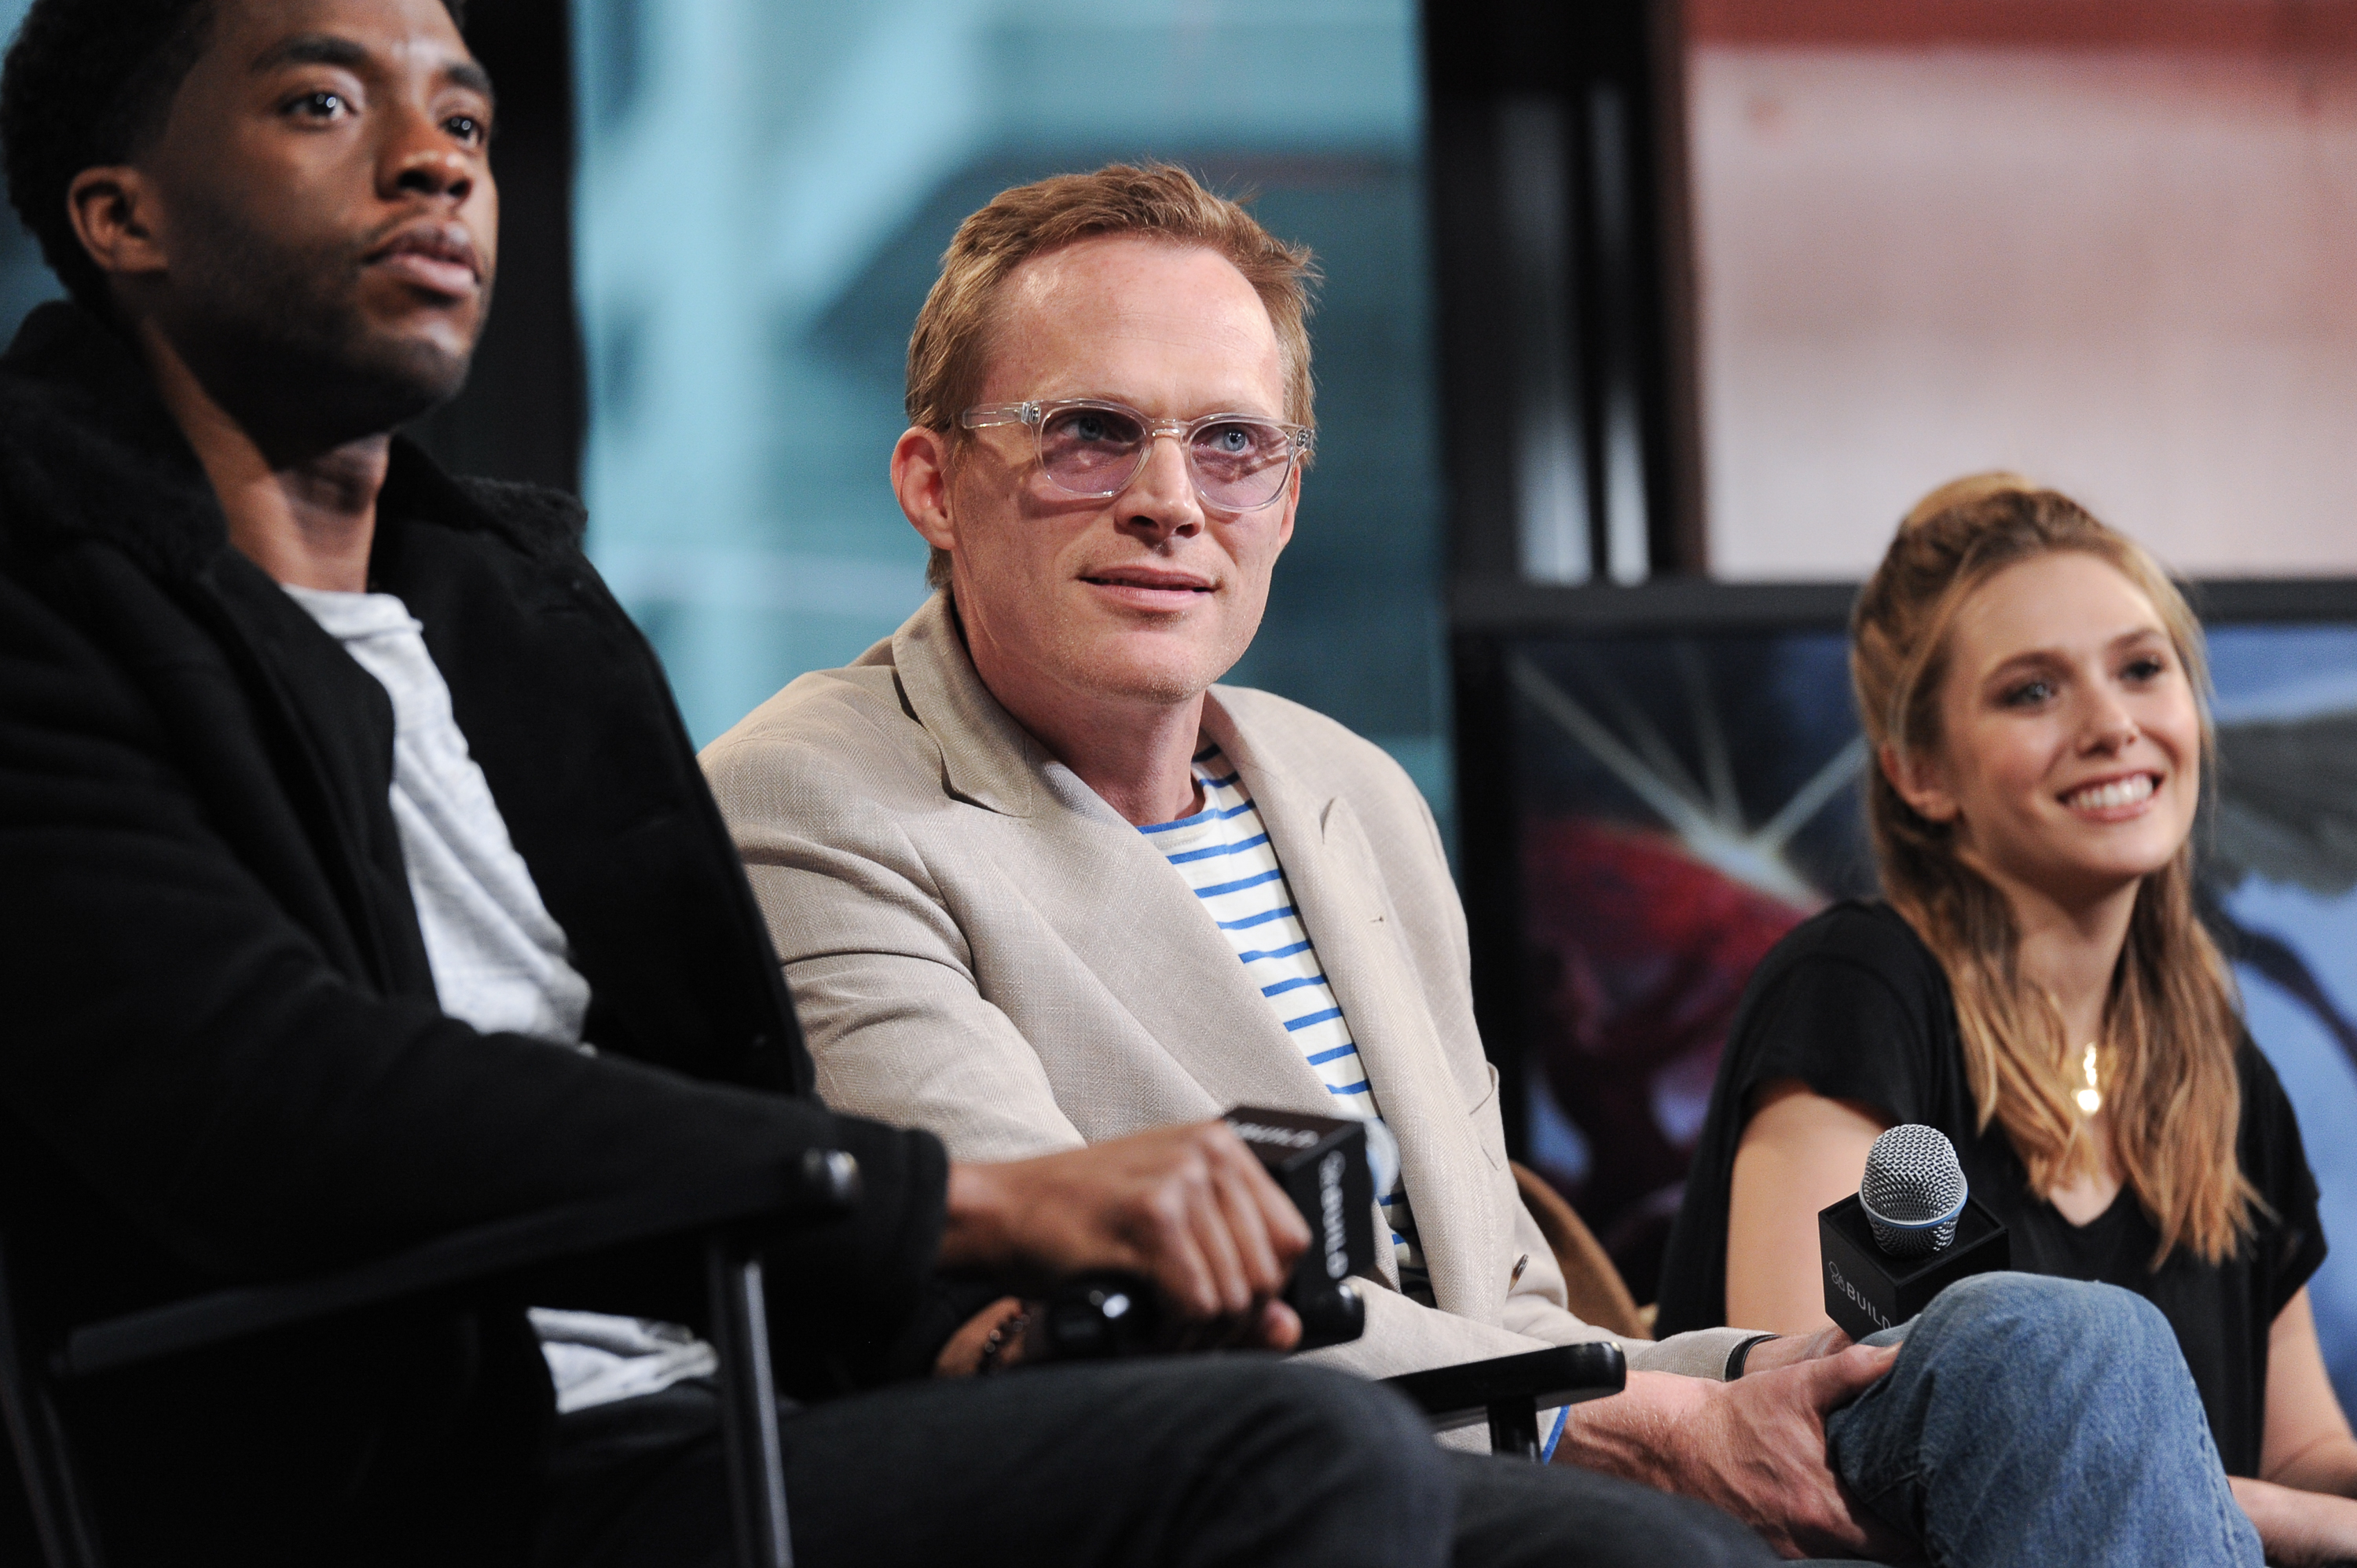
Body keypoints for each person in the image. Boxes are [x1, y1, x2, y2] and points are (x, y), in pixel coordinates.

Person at [0, 3, 1787, 1566]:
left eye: (464, 116)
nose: (435, 165)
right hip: (427, 1468)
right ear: (120, 212)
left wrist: (973, 1312)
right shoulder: (48, 602)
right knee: (1310, 1453)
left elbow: (713, 1079)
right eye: (324, 102)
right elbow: (274, 1091)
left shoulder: (507, 616)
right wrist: (964, 1206)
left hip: (743, 1408)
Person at [702, 164, 2269, 1564]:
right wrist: (1626, 1425)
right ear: (932, 479)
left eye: (1231, 445)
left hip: (1523, 1402)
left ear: (1288, 493)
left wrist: (1737, 1379)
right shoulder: (815, 797)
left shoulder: (1352, 793)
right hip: (1238, 1471)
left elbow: (1506, 1301)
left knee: (2056, 1342)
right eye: (1088, 435)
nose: (1170, 501)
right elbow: (1056, 1304)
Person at [1655, 474, 2357, 1565]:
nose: (2113, 724)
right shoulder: (1858, 985)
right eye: (2033, 692)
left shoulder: (2222, 1071)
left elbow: (2303, 1451)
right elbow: (1818, 1434)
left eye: (2141, 669)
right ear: (1920, 772)